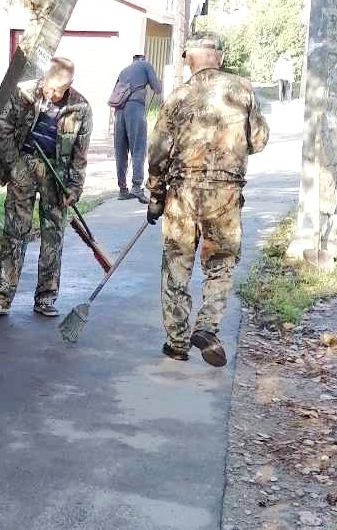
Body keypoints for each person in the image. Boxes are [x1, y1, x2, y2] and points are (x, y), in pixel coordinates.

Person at [145, 32, 269, 367]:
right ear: (221, 58)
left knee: (176, 268)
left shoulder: (177, 97)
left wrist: (155, 195)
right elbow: (258, 141)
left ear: (189, 59)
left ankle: (177, 343)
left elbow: (157, 151)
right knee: (220, 264)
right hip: (225, 195)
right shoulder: (242, 91)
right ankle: (207, 326)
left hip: (182, 195)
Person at [0, 57, 92, 318]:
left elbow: (80, 154)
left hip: (57, 173)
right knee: (15, 231)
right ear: (44, 78)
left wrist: (75, 188)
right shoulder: (25, 92)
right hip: (25, 164)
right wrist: (13, 164)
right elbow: (4, 126)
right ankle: (1, 298)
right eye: (49, 87)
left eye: (59, 90)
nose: (52, 94)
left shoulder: (81, 108)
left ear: (70, 85)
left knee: (53, 235)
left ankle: (45, 297)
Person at [111, 53, 162, 204]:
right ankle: (137, 187)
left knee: (120, 150)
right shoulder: (146, 65)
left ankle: (122, 189)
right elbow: (157, 88)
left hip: (119, 110)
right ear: (142, 59)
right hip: (135, 107)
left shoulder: (124, 71)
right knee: (138, 147)